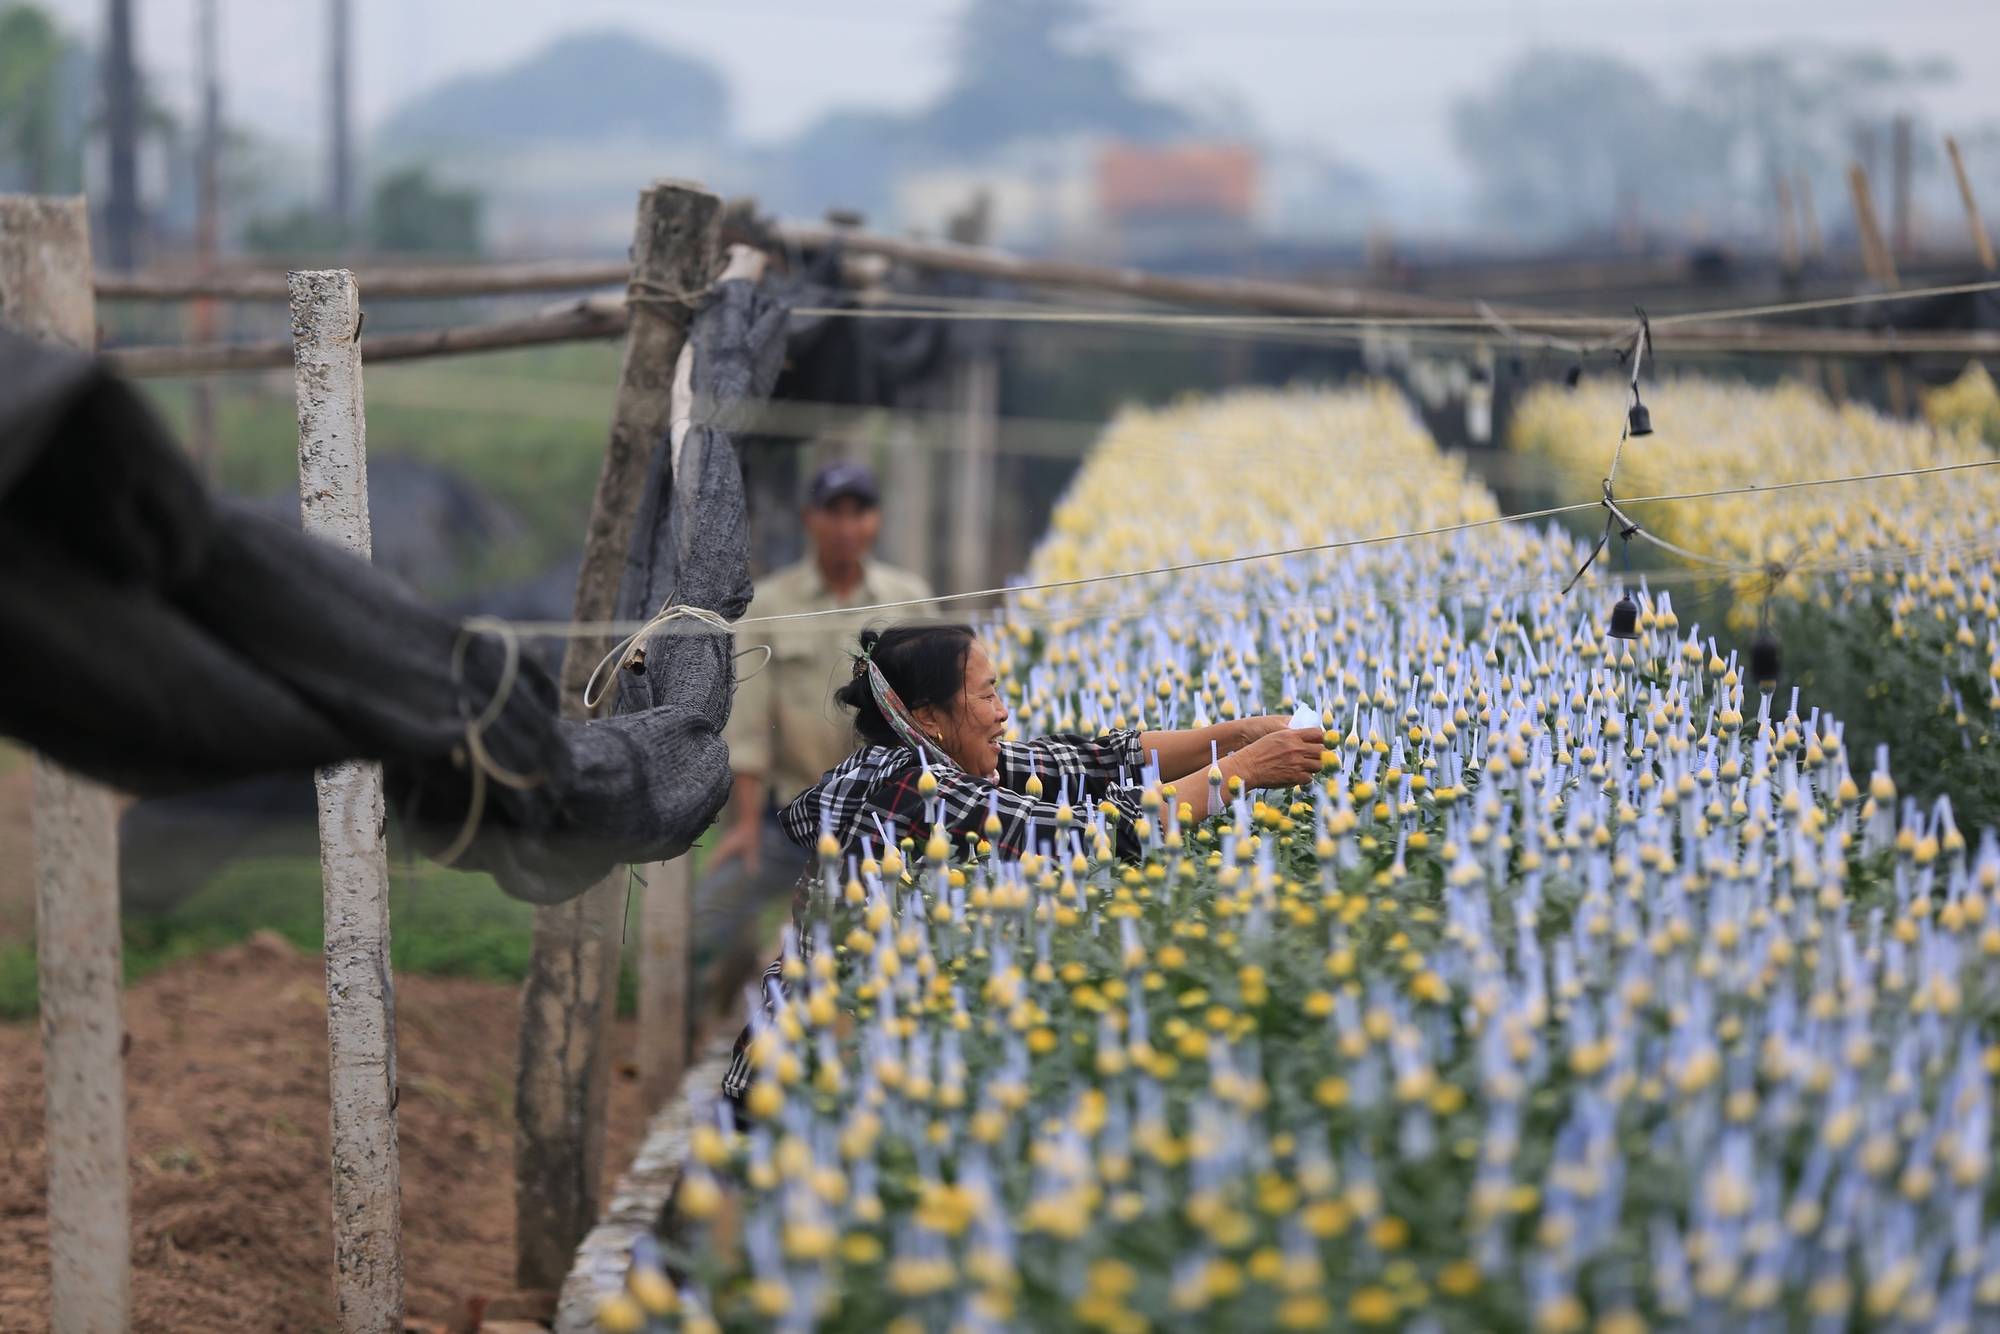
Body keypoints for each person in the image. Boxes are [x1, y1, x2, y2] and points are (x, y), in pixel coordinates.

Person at [720, 620, 1323, 1102]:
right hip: (796, 1087)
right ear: (928, 717)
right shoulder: (908, 788)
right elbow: (1088, 839)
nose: (1004, 711)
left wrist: (1237, 735)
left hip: (866, 1059)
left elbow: (1091, 762)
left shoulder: (936, 759)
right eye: (987, 695)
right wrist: (1242, 773)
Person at [696, 460, 933, 995]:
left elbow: (936, 706)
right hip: (791, 816)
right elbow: (750, 725)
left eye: (860, 513)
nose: (847, 527)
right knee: (709, 914)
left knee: (872, 940)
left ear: (876, 520)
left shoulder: (909, 599)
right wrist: (747, 824)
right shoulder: (770, 604)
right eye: (834, 513)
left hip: (888, 814)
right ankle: (710, 997)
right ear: (810, 519)